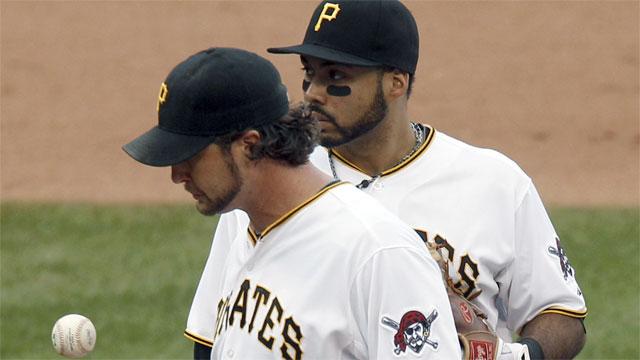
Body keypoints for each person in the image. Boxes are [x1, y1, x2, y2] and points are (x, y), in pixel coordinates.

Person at [186, 1, 588, 359]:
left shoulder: (494, 183)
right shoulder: (273, 184)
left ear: (396, 82)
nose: (313, 93)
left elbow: (561, 313)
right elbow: (212, 335)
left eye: (336, 76)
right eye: (309, 74)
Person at [124, 47, 461, 359]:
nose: (177, 175)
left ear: (249, 145)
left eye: (190, 157)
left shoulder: (376, 253)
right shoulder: (246, 226)